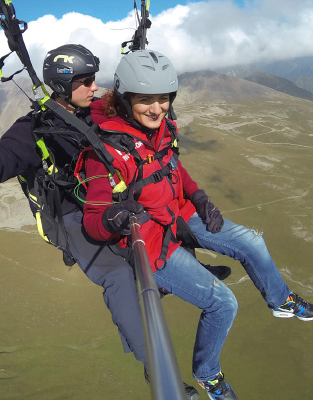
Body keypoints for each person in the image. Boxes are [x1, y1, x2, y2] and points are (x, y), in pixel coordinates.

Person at [0, 44, 204, 399]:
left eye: (94, 80)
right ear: (62, 86)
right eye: (85, 82)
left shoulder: (94, 111)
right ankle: (160, 372)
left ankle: (194, 271)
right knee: (117, 277)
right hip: (71, 217)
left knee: (160, 213)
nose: (95, 88)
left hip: (109, 202)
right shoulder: (33, 131)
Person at [80, 49, 240, 399]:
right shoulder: (105, 151)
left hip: (168, 233)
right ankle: (208, 374)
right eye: (146, 100)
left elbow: (171, 169)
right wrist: (113, 217)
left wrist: (197, 197)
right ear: (125, 101)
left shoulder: (158, 132)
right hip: (152, 252)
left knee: (238, 261)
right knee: (224, 304)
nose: (157, 108)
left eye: (164, 99)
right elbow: (93, 222)